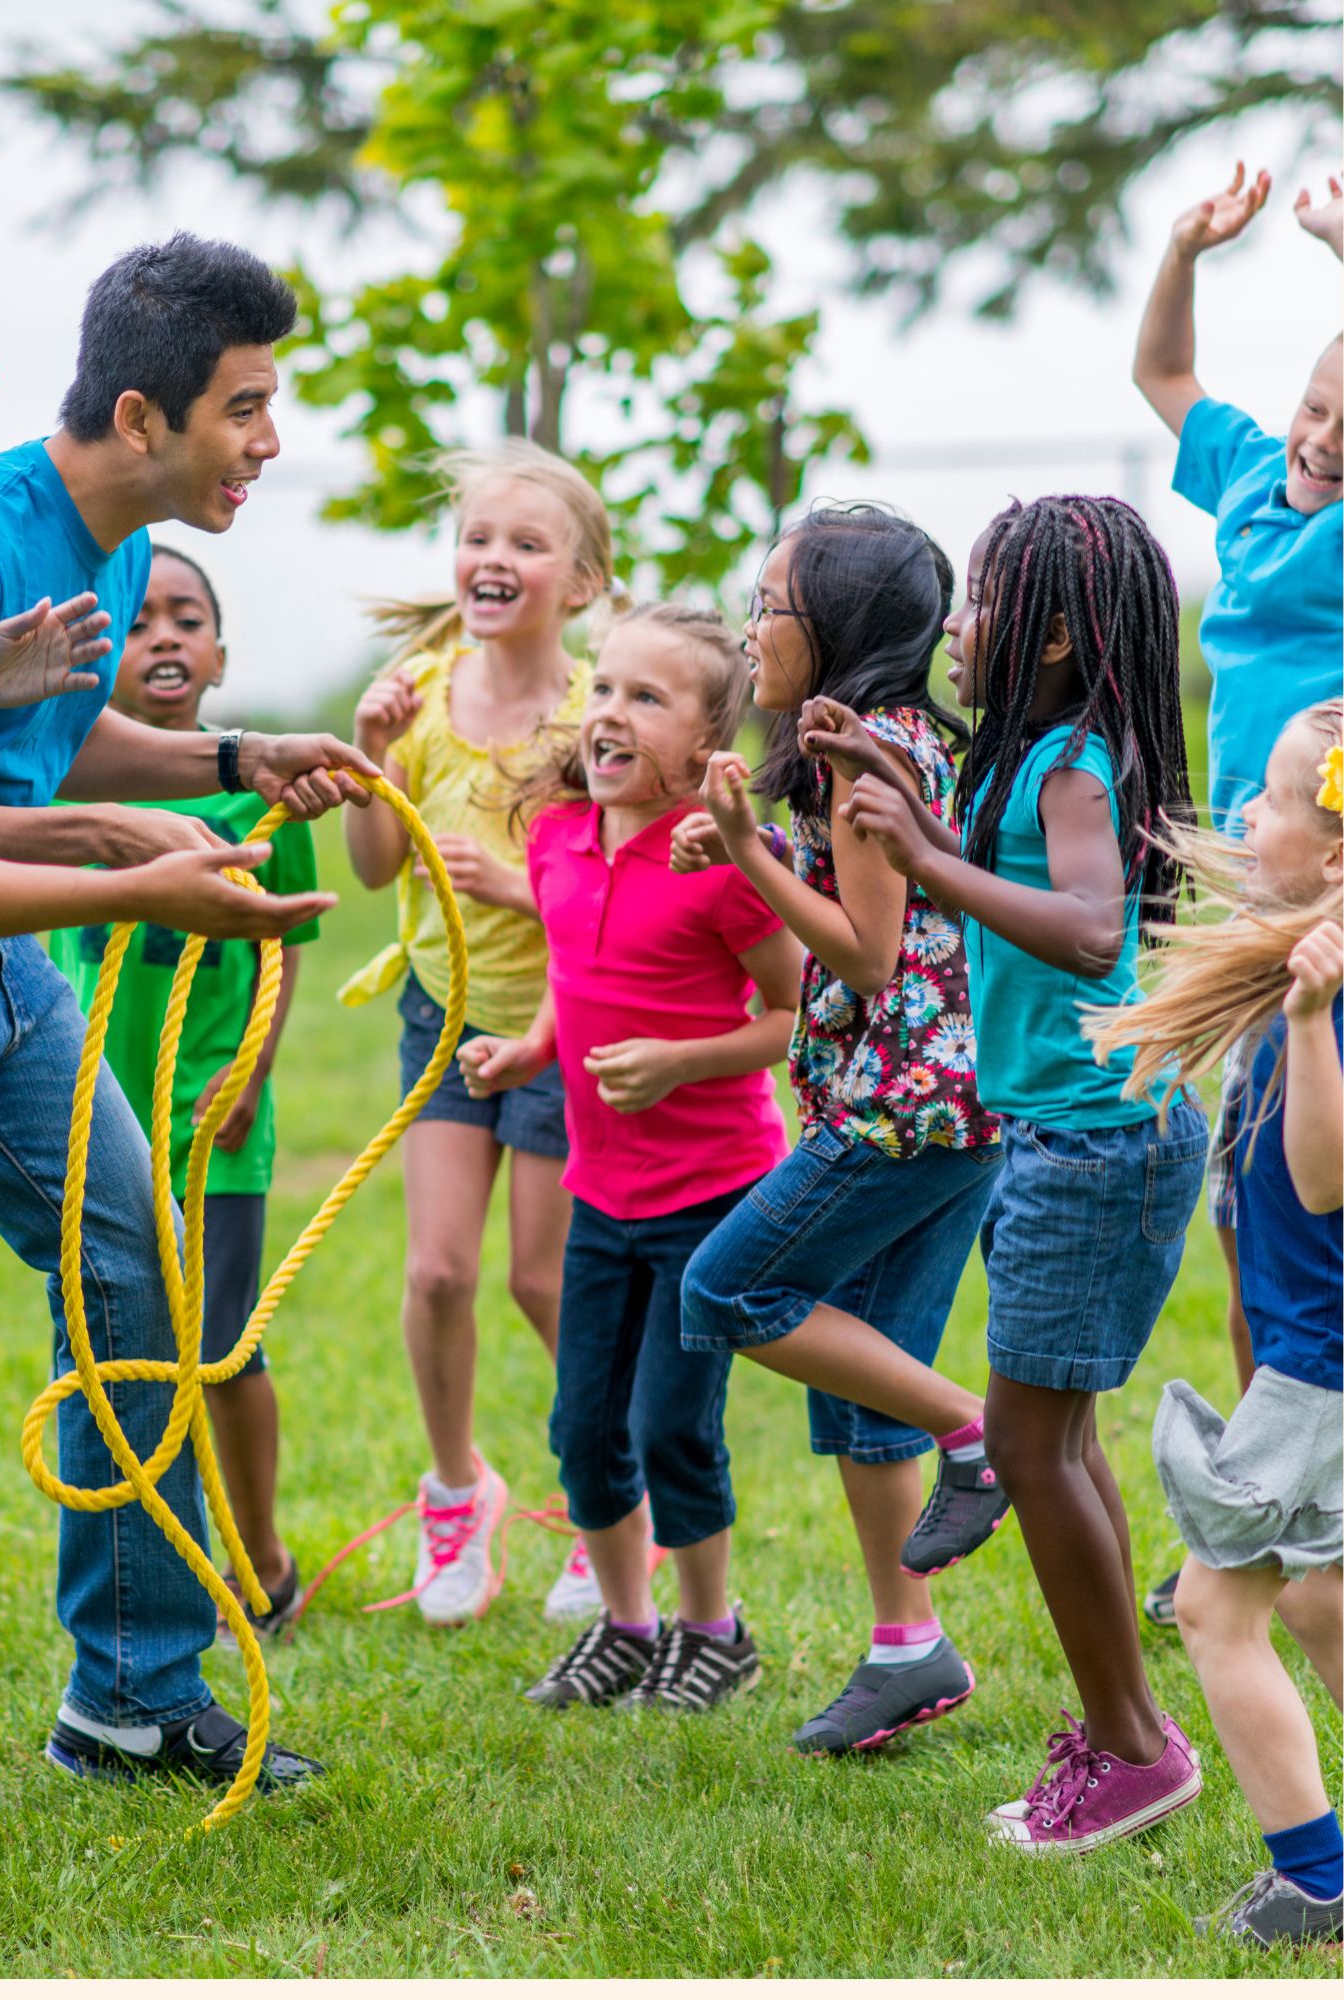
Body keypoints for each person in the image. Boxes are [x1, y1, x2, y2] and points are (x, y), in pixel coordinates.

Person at [0, 112, 330, 1937]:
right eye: (246, 409)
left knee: (142, 1280)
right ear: (144, 420)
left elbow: (35, 736)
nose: (268, 442)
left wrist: (232, 760)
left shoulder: (100, 551)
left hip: (12, 976)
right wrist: (109, 850)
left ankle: (127, 1693)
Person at [843, 494, 1208, 1849]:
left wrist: (927, 862)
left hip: (1094, 1144)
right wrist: (880, 783)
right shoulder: (1032, 747)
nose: (961, 620)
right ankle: (1128, 1731)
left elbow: (1086, 929)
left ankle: (1127, 1746)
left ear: (1053, 631)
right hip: (1067, 1135)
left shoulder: (1071, 764)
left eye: (986, 599)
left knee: (1022, 1443)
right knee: (1053, 1438)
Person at [673, 503, 1009, 1758]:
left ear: (843, 626)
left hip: (901, 1109)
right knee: (864, 1390)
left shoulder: (866, 759)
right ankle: (904, 1646)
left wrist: (755, 860)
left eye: (772, 606)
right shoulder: (884, 739)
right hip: (954, 1106)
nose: (752, 627)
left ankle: (983, 1433)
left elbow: (869, 954)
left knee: (729, 1288)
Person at [457, 605, 800, 1711]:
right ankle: (626, 1623)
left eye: (646, 698)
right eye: (604, 688)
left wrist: (681, 1063)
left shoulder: (723, 860)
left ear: (705, 750)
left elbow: (800, 1012)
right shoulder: (558, 833)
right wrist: (530, 1050)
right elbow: (572, 969)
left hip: (713, 1193)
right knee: (583, 1427)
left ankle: (715, 1629)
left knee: (668, 1425)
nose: (609, 713)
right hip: (599, 1190)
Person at [342, 440, 620, 1627]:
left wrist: (514, 888)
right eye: (477, 538)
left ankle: (610, 1503)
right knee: (439, 1269)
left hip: (563, 1018)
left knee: (542, 1279)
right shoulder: (419, 691)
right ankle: (458, 1491)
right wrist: (366, 757)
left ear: (581, 582)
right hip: (439, 1014)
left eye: (525, 542)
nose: (491, 558)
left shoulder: (596, 708)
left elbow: (621, 879)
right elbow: (371, 868)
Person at [1089, 701, 1343, 1949]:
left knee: (1213, 1607)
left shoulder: (1333, 999)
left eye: (1275, 800)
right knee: (1317, 1603)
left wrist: (1304, 1022)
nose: (1248, 814)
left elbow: (1325, 1180)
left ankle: (1318, 1881)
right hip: (1320, 1359)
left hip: (1320, 1372)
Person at [1131, 160, 1343, 1626]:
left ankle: (1294, 1498)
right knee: (1242, 1193)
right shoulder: (1261, 484)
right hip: (1237, 875)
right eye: (1317, 407)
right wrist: (1183, 247)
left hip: (1323, 874)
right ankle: (1275, 1481)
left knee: (1308, 1179)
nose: (1321, 437)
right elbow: (1162, 372)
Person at [49, 545, 320, 1641]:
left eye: (187, 617)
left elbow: (285, 937)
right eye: (141, 618)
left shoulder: (257, 785)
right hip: (85, 1102)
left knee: (220, 1346)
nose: (165, 635)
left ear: (218, 652)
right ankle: (155, 1556)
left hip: (211, 1112)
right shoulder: (59, 769)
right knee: (117, 1345)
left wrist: (250, 1070)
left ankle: (260, 1551)